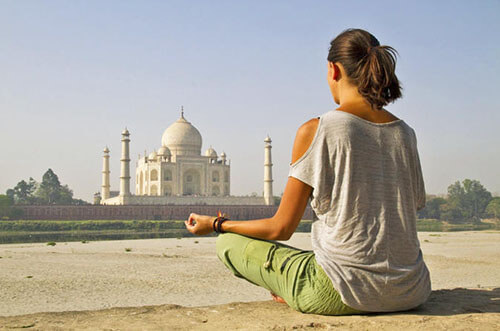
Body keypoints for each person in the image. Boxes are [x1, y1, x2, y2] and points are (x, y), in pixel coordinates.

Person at [184, 28, 431, 315]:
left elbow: (282, 228)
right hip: (411, 290)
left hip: (340, 293)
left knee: (228, 243)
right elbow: (410, 208)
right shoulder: (405, 133)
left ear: (333, 70)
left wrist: (217, 225)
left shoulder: (319, 129)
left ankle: (289, 288)